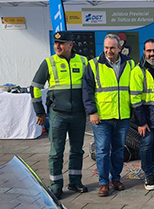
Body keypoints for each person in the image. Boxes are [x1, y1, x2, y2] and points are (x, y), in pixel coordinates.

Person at [31, 31, 88, 199]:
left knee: (77, 150)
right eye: (56, 43)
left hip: (78, 115)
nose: (57, 46)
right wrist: (39, 111)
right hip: (57, 115)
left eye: (61, 43)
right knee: (56, 152)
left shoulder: (83, 61)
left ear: (71, 45)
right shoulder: (49, 62)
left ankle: (75, 181)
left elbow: (91, 86)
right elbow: (35, 87)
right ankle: (56, 185)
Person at [83, 34, 135, 197]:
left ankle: (116, 179)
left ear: (120, 48)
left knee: (119, 150)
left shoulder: (130, 64)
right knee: (103, 150)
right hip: (102, 117)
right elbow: (87, 90)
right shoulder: (94, 65)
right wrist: (92, 112)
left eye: (112, 48)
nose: (108, 51)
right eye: (106, 48)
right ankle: (104, 183)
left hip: (122, 116)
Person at [130, 39, 154, 191]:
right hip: (145, 115)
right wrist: (141, 122)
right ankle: (148, 174)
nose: (152, 54)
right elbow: (135, 98)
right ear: (144, 52)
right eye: (149, 51)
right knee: (147, 144)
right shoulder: (138, 71)